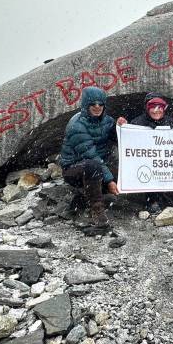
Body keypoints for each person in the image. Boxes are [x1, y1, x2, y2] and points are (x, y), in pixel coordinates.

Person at [60, 86, 119, 234]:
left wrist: (122, 126)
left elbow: (121, 140)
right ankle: (100, 219)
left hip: (99, 166)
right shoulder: (76, 125)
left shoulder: (108, 121)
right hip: (74, 169)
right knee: (93, 167)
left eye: (100, 104)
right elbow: (91, 156)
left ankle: (83, 197)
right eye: (93, 104)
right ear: (86, 105)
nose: (97, 107)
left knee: (122, 170)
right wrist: (109, 180)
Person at [117, 92, 173, 210]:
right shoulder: (137, 123)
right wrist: (122, 127)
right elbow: (126, 144)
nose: (156, 110)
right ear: (147, 108)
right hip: (145, 163)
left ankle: (171, 191)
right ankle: (152, 197)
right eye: (152, 106)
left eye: (160, 107)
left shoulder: (170, 122)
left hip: (166, 160)